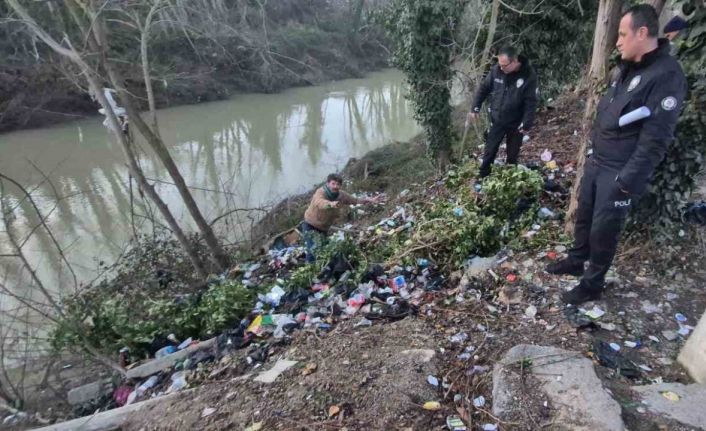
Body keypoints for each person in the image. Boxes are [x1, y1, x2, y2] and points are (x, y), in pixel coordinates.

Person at [546, 4, 688, 305]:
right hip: (598, 161)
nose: (618, 41)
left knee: (603, 230)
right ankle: (575, 260)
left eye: (623, 34)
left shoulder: (666, 75)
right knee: (584, 218)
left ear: (642, 32)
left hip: (620, 170)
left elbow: (656, 140)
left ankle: (592, 283)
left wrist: (626, 181)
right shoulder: (626, 68)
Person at [468, 46, 538, 178]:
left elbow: (531, 101)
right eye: (499, 64)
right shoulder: (496, 71)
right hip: (498, 119)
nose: (501, 68)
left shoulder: (528, 75)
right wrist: (475, 107)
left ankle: (510, 178)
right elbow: (484, 88)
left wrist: (527, 122)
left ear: (515, 62)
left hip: (516, 123)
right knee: (490, 150)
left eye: (504, 65)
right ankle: (483, 176)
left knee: (512, 154)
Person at [300, 173, 381, 262]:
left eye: (338, 184)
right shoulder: (320, 192)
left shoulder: (341, 195)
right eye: (333, 183)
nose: (335, 186)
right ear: (328, 183)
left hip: (323, 228)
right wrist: (330, 204)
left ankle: (320, 269)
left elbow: (355, 200)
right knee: (312, 249)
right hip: (310, 224)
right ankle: (310, 268)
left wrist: (369, 200)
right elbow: (320, 203)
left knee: (322, 250)